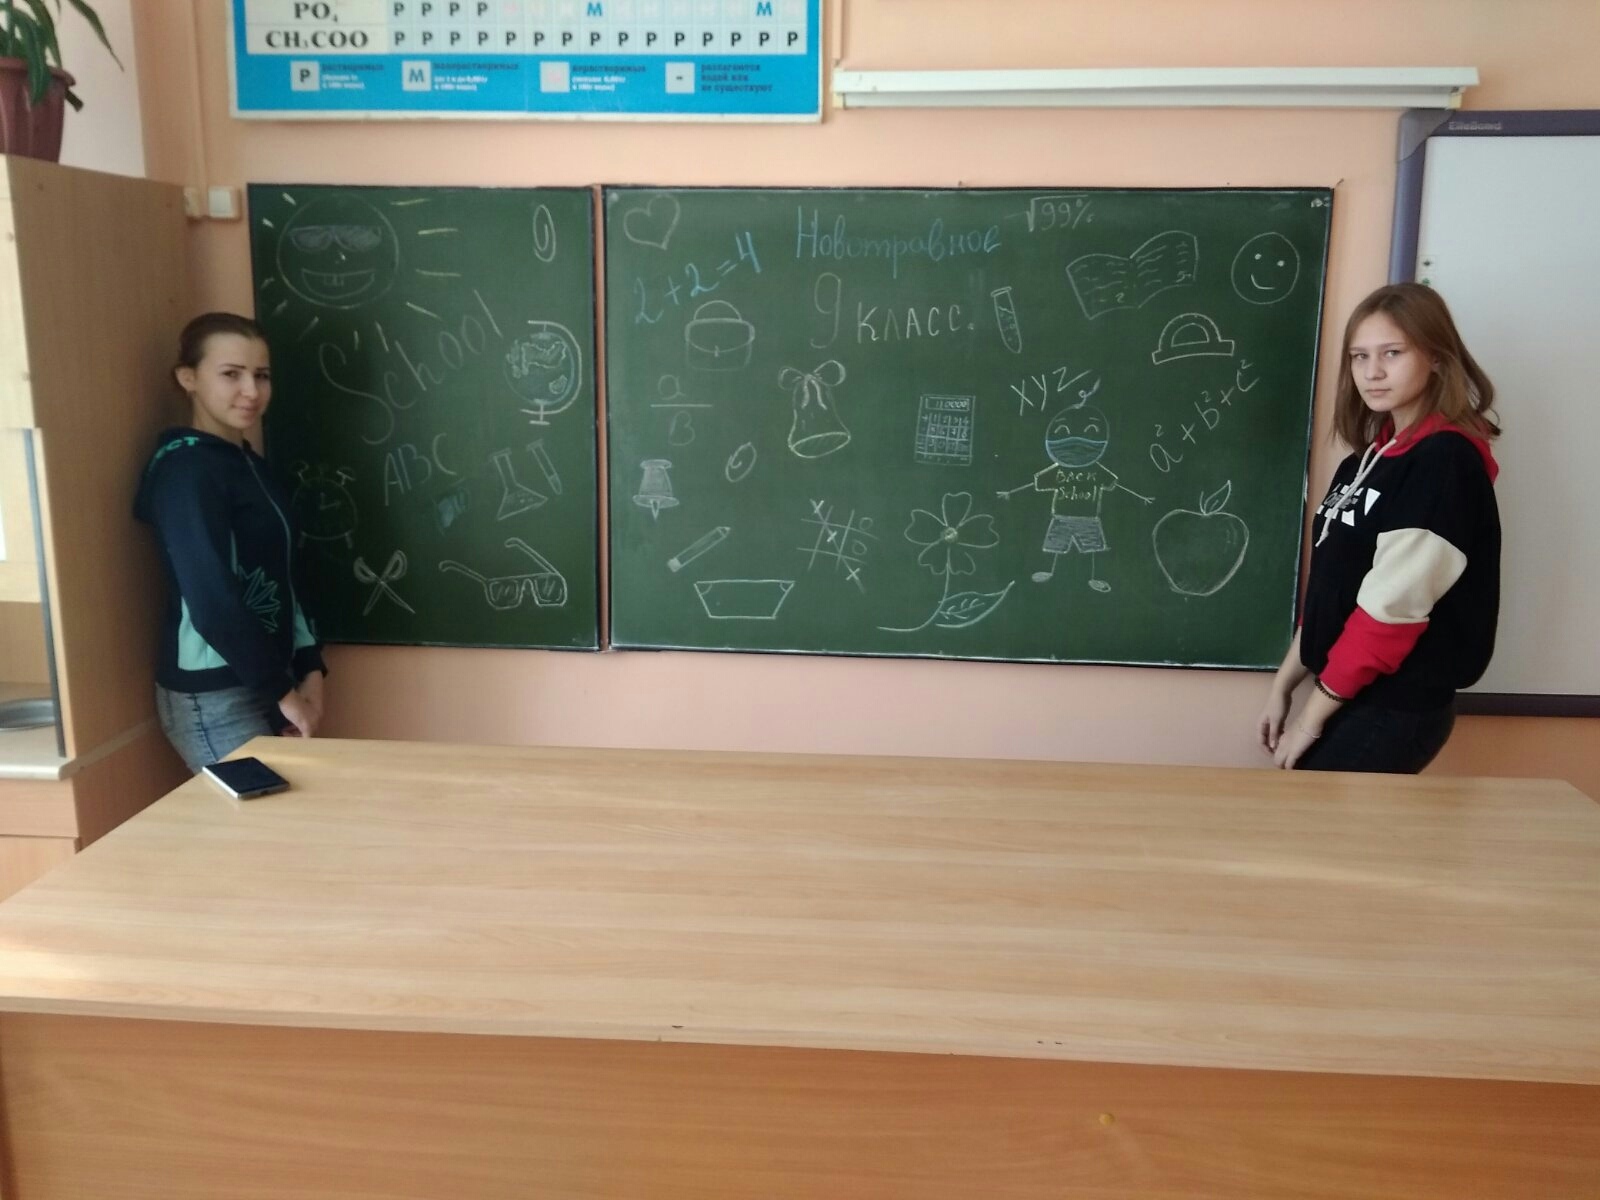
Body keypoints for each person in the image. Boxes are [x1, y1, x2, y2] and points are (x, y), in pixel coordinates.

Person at [1258, 283, 1500, 772]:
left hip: (1397, 706)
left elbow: (1389, 613)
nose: (1372, 372)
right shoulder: (1363, 464)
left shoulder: (1444, 464)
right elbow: (1332, 590)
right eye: (1359, 356)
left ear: (1436, 358)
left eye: (1392, 353)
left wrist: (1311, 719)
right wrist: (1283, 684)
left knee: (1308, 811)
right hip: (1347, 691)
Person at [135, 312, 327, 771]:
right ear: (188, 378)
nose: (251, 391)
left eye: (261, 375)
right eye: (231, 374)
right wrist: (285, 695)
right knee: (260, 816)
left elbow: (285, 576)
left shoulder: (247, 465)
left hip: (270, 679)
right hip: (215, 695)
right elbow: (212, 602)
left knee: (289, 812)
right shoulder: (186, 472)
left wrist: (310, 668)